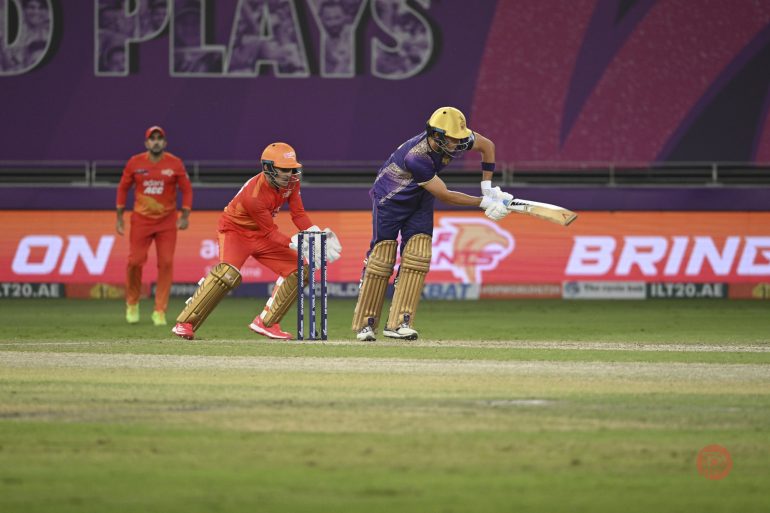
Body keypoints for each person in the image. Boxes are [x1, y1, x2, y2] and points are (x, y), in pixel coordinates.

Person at [351, 106, 513, 342]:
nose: (458, 143)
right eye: (453, 139)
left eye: (461, 137)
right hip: (390, 200)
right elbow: (445, 195)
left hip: (420, 198)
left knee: (418, 255)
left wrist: (487, 187)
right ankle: (366, 324)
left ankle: (399, 323)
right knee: (382, 258)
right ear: (436, 135)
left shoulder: (456, 139)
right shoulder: (417, 157)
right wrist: (484, 202)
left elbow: (488, 146)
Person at [171, 142, 342, 341]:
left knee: (300, 270)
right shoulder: (254, 196)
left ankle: (267, 323)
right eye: (283, 169)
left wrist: (314, 234)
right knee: (226, 274)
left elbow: (298, 214)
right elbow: (270, 233)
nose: (289, 174)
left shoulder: (292, 183)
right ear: (268, 168)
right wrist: (294, 243)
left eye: (292, 169)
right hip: (235, 232)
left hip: (261, 234)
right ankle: (185, 323)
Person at [116, 126, 193, 326]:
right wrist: (119, 216)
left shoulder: (175, 163)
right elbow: (123, 188)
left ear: (164, 143)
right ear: (146, 143)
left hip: (166, 222)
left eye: (159, 138)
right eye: (152, 138)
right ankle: (132, 303)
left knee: (166, 263)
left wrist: (185, 215)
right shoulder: (135, 162)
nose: (156, 141)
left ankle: (159, 310)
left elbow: (186, 189)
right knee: (135, 261)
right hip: (141, 220)